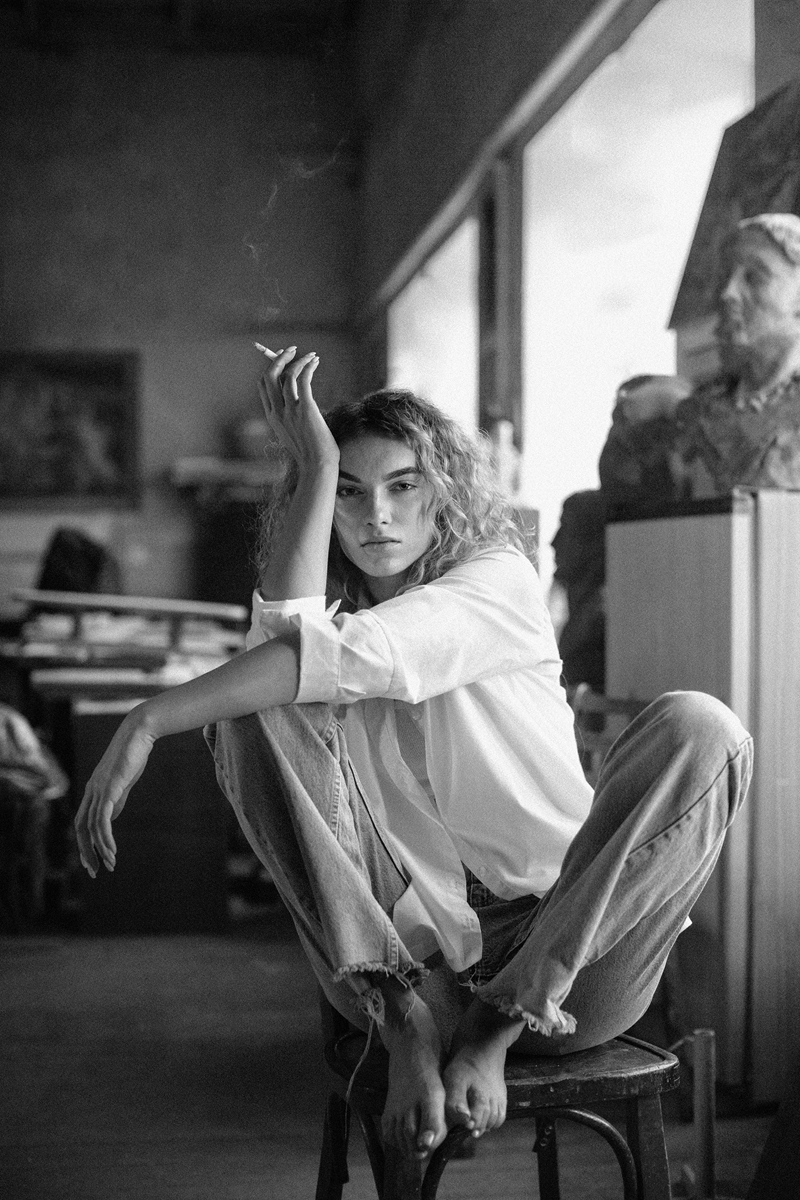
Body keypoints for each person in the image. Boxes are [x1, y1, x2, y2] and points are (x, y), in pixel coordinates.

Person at [75, 348, 753, 1166]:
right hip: (410, 971)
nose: (378, 517)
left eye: (404, 486)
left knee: (702, 726)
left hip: (572, 960)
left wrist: (147, 721)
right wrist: (313, 465)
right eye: (351, 492)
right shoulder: (333, 621)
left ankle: (496, 1029)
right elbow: (288, 645)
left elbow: (342, 655)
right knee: (251, 712)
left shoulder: (496, 582)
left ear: (445, 493)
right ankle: (407, 1031)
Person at [600, 213, 800, 506]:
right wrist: (634, 432)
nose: (728, 293)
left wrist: (678, 408)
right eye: (726, 277)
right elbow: (625, 502)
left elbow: (759, 489)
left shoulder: (690, 409)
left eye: (754, 277)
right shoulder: (706, 402)